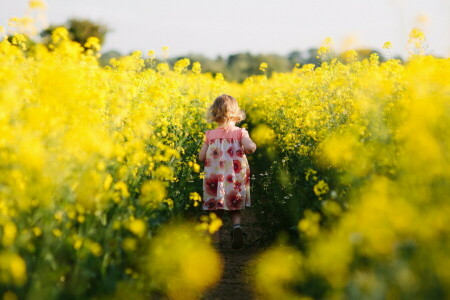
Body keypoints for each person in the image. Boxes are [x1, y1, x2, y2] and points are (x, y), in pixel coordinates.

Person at [198, 94, 257, 249]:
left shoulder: (209, 135)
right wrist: (250, 148)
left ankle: (216, 242)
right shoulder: (240, 132)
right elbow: (250, 147)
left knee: (216, 211)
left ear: (214, 114)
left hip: (215, 179)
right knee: (234, 205)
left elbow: (201, 157)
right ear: (236, 114)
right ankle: (236, 227)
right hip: (234, 177)